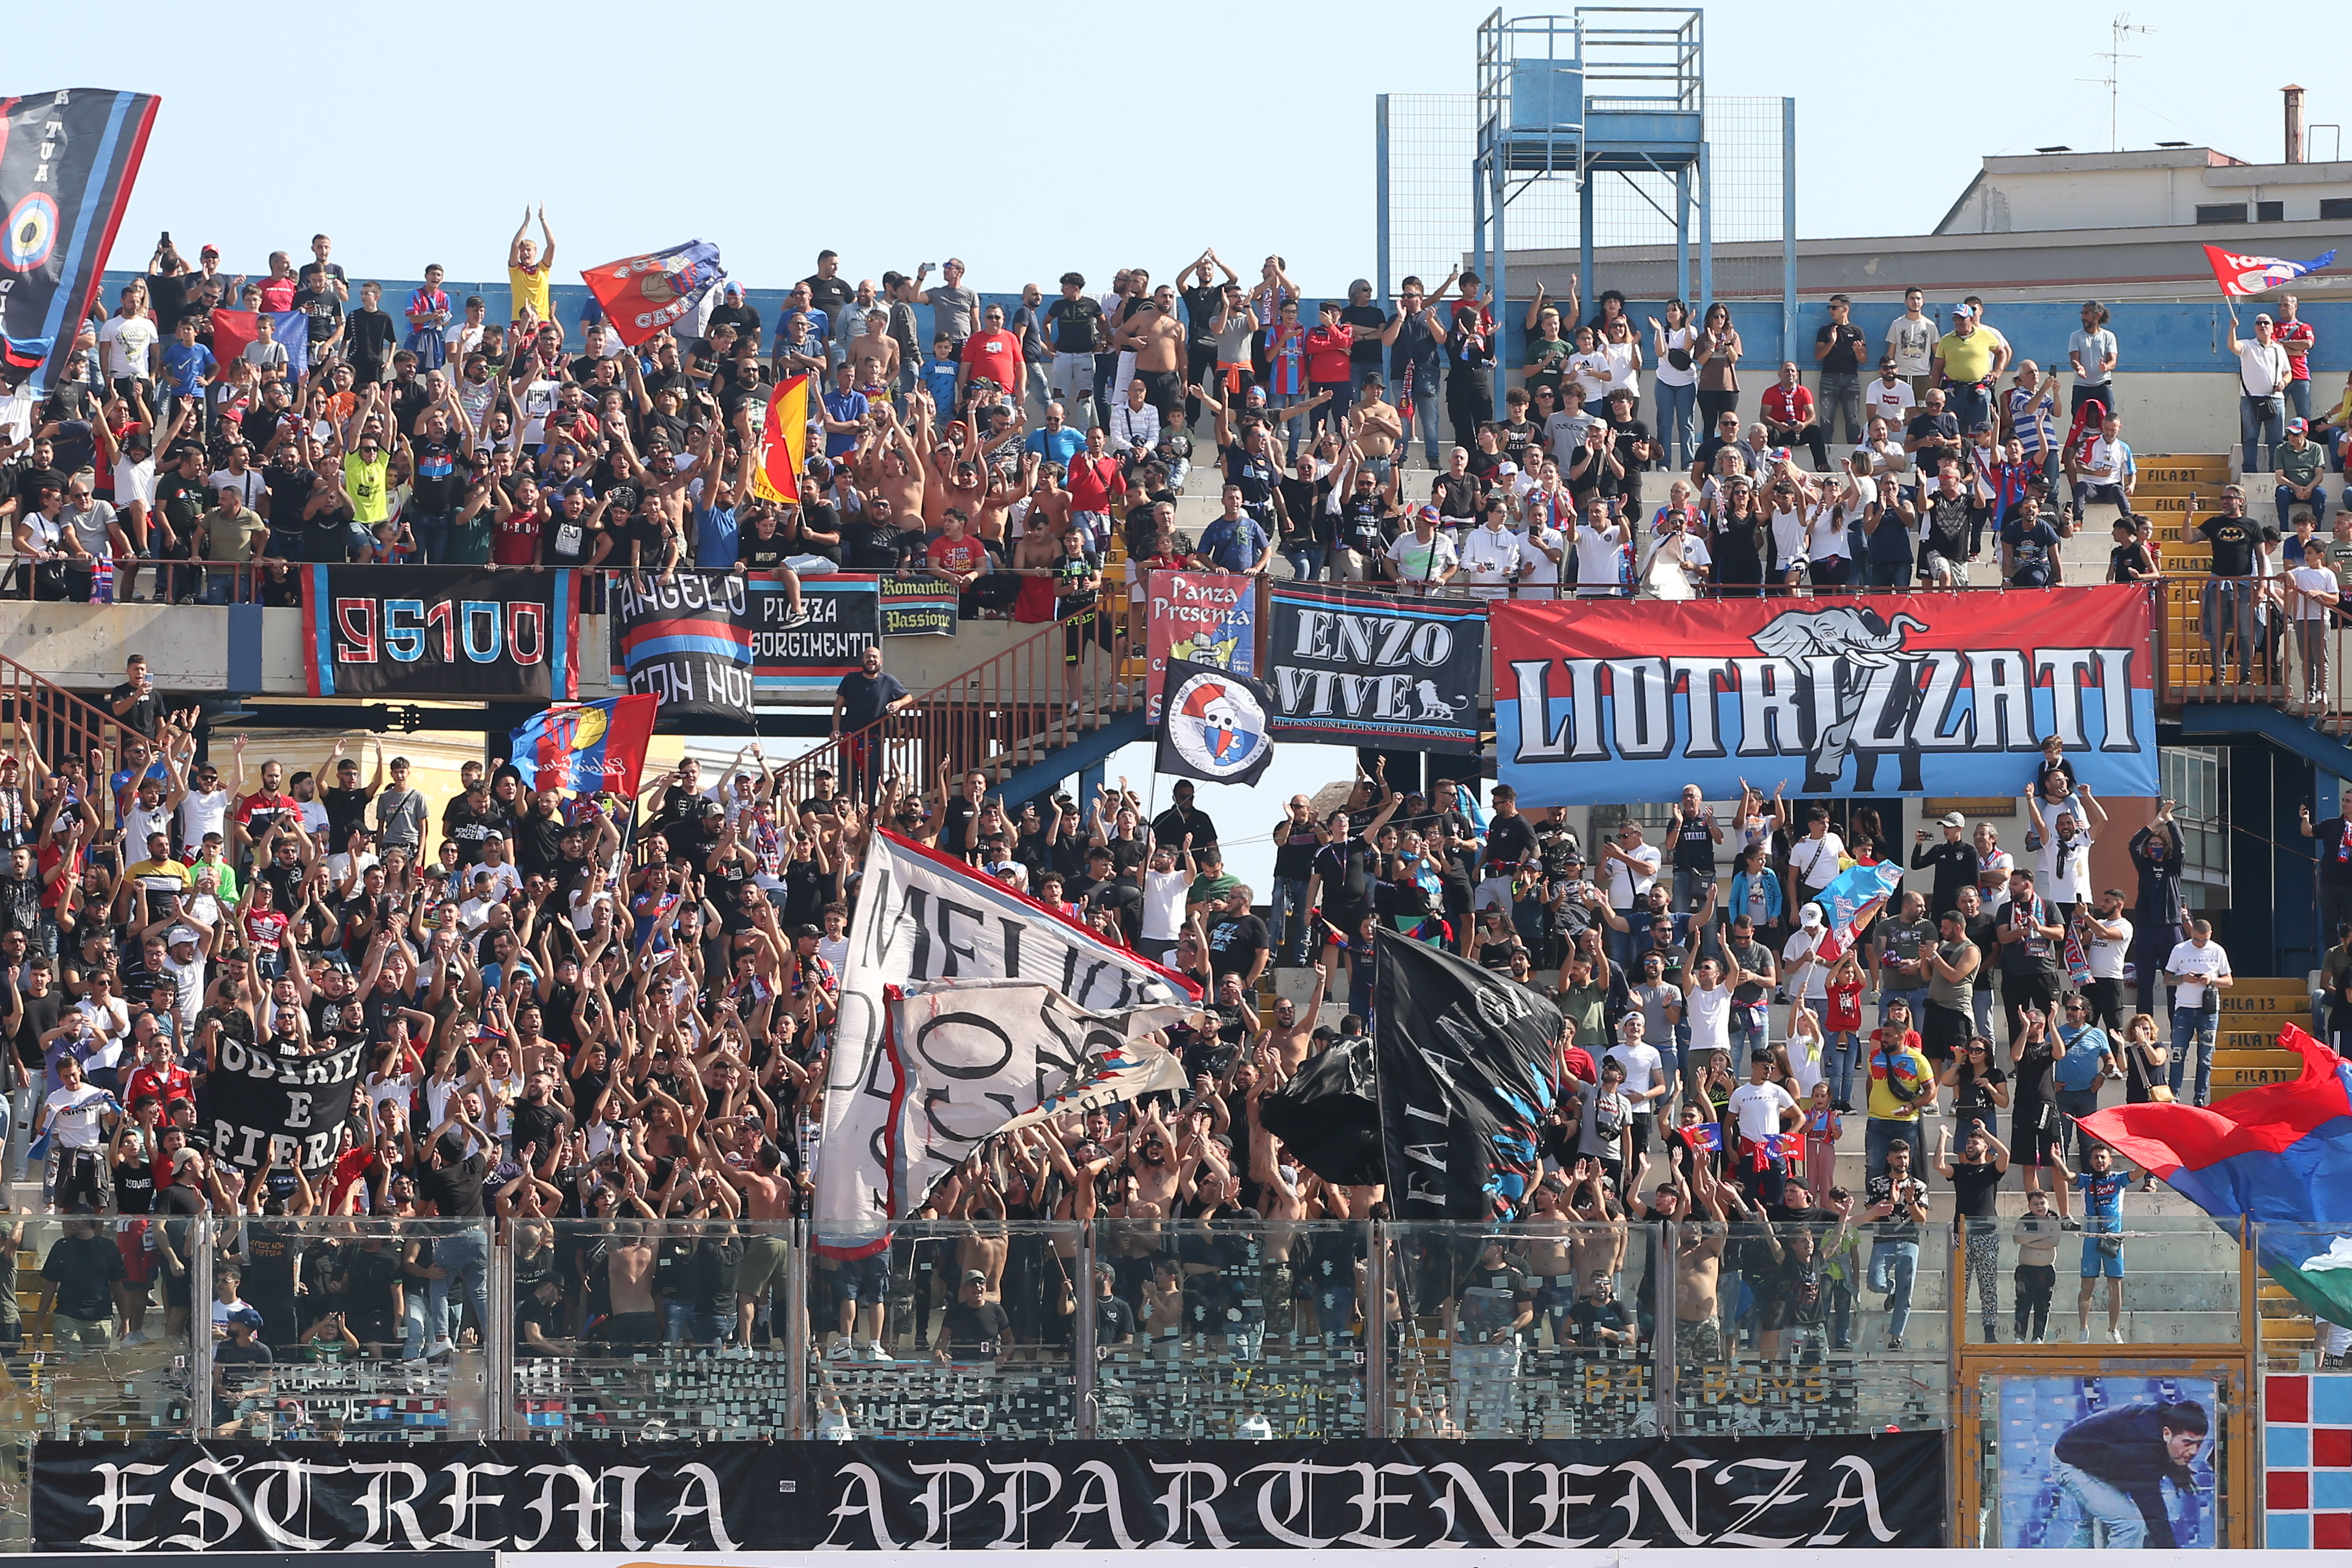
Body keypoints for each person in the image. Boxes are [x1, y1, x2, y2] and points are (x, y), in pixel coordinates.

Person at [2048, 1396, 2209, 1548]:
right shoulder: (2141, 1452)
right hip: (2069, 1463)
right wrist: (2173, 1559)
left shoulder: (2168, 1418)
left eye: (2198, 1444)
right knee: (2130, 1525)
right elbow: (2154, 1516)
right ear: (2167, 1433)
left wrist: (2178, 1467)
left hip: (2092, 1458)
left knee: (2090, 1527)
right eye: (2187, 1443)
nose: (2194, 1451)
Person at [2162, 919, 2232, 1106]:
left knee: (2205, 1056)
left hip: (2208, 1010)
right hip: (2184, 1008)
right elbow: (2166, 979)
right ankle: (2173, 1095)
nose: (2200, 944)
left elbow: (2229, 981)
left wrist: (2211, 980)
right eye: (2196, 940)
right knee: (2178, 1054)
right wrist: (2183, 979)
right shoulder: (2180, 949)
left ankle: (2199, 1097)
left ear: (2211, 935)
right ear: (2191, 934)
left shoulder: (2217, 950)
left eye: (2204, 941)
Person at [2227, 305, 2291, 476]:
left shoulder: (2279, 349)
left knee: (2276, 440)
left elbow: (2288, 373)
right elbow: (2234, 347)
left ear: (2272, 328)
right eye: (2259, 323)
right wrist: (2233, 328)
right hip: (2250, 400)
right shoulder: (2248, 345)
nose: (2263, 326)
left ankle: (2275, 471)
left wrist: (2283, 383)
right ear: (2255, 327)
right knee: (2250, 438)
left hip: (2275, 400)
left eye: (2266, 323)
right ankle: (2250, 471)